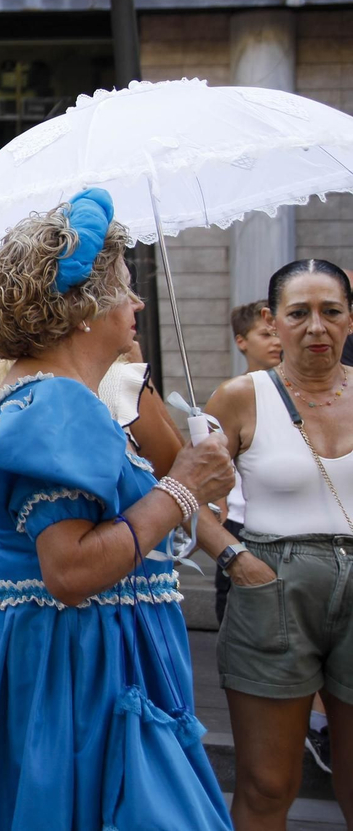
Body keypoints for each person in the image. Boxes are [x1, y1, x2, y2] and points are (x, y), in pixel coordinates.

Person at [0, 189, 235, 831]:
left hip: (63, 658)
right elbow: (71, 571)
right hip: (78, 671)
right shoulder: (61, 405)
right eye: (121, 285)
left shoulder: (38, 396)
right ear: (83, 310)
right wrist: (182, 488)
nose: (136, 302)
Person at [207, 259, 353, 829]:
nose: (316, 326)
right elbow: (185, 497)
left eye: (331, 311)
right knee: (268, 783)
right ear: (273, 320)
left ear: (350, 319)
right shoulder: (241, 397)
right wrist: (233, 557)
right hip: (271, 585)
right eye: (299, 313)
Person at [212, 300, 281, 626]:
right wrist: (223, 519)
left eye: (278, 332)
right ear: (242, 341)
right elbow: (208, 466)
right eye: (266, 334)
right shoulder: (230, 396)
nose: (277, 341)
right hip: (241, 526)